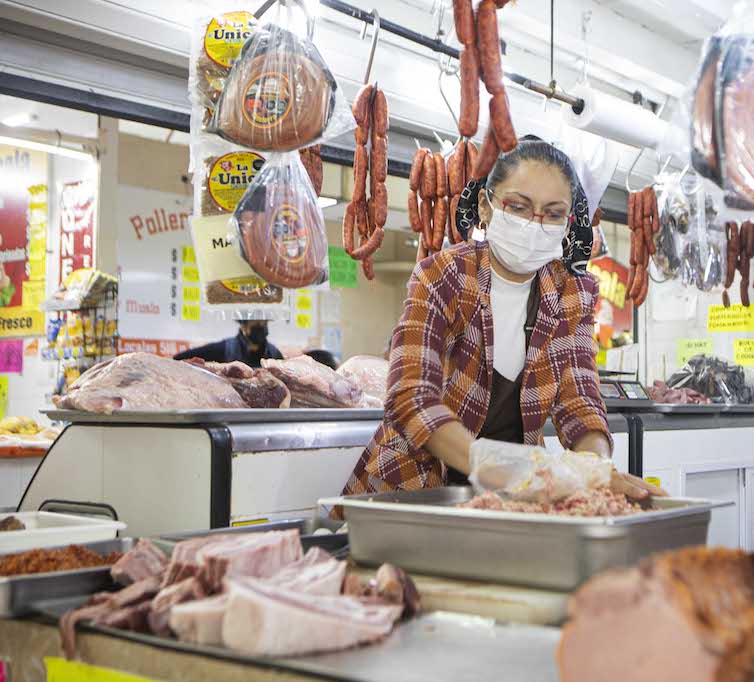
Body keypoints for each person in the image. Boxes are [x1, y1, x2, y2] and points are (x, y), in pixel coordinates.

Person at [343, 137, 663, 500]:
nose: (534, 224)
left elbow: (580, 404)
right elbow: (410, 397)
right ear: (485, 206)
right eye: (519, 207)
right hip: (415, 485)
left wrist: (595, 471)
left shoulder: (572, 293)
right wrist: (494, 465)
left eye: (553, 214)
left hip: (515, 495)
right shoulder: (443, 275)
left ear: (568, 223)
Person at [174, 319, 283, 368]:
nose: (262, 327)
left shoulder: (274, 353)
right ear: (243, 326)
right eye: (257, 324)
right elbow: (179, 359)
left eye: (264, 323)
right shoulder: (224, 348)